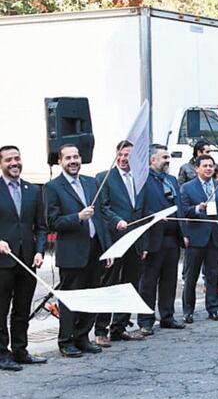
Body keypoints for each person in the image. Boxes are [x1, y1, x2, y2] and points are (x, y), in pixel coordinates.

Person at [45, 144, 113, 357]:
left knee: (91, 296)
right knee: (70, 299)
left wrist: (107, 248)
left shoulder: (91, 182)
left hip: (95, 248)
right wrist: (77, 217)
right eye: (68, 158)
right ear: (60, 162)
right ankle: (66, 341)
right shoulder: (53, 187)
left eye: (76, 157)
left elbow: (101, 217)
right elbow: (52, 221)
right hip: (72, 252)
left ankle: (83, 337)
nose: (73, 161)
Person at [0, 146, 47, 370]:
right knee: (1, 309)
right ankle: (2, 354)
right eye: (9, 159)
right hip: (3, 261)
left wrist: (39, 251)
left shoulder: (32, 191)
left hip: (28, 260)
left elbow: (41, 227)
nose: (14, 163)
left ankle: (20, 350)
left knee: (22, 307)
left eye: (17, 158)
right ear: (1, 164)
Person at [94, 140, 145, 345]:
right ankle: (101, 330)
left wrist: (144, 244)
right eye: (122, 154)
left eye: (129, 155)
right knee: (109, 284)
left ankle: (120, 327)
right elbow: (103, 208)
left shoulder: (140, 178)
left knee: (130, 284)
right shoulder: (104, 177)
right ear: (116, 155)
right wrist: (118, 222)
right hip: (114, 240)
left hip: (135, 241)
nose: (124, 159)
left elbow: (143, 210)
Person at [138, 144, 185, 335]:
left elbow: (179, 206)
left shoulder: (172, 180)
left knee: (169, 280)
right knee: (148, 282)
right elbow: (140, 208)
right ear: (152, 160)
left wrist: (185, 233)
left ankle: (167, 316)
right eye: (164, 157)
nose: (167, 161)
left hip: (173, 239)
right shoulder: (143, 181)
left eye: (168, 157)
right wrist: (155, 216)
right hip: (153, 239)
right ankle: (146, 320)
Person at [180, 154, 218, 323]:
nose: (209, 168)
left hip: (215, 237)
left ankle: (214, 308)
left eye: (211, 166)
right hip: (195, 237)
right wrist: (197, 209)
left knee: (213, 275)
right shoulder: (187, 188)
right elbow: (183, 211)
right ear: (197, 169)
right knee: (191, 276)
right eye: (205, 166)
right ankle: (188, 310)